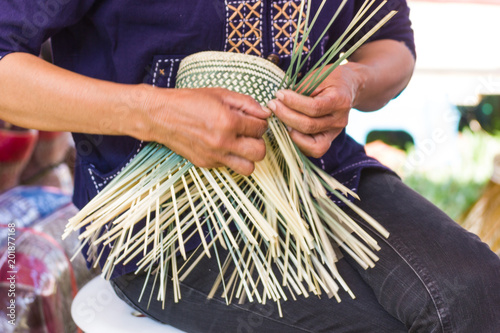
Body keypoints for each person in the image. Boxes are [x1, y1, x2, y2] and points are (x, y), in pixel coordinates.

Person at [0, 1, 499, 332]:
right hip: (160, 218)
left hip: (318, 177)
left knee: (477, 294)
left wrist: (355, 81)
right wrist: (153, 112)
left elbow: (391, 42)